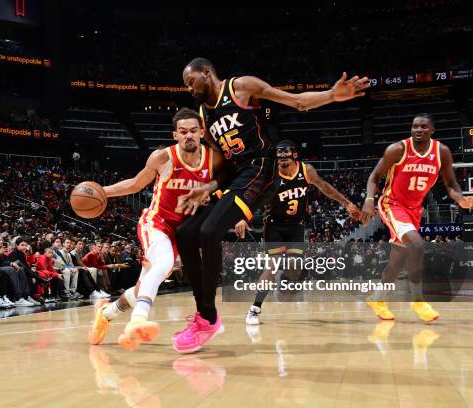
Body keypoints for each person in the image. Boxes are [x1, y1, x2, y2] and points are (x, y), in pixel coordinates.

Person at [173, 58, 370, 353]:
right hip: (237, 175)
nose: (189, 88)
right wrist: (208, 187)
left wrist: (331, 95)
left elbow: (297, 102)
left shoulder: (241, 87)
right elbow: (224, 167)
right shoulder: (204, 115)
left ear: (206, 72)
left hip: (262, 170)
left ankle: (209, 317)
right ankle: (203, 314)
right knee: (186, 233)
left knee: (209, 232)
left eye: (191, 81)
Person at [89, 107, 222, 351]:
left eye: (193, 131)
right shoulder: (163, 157)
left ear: (202, 132)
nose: (189, 135)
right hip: (157, 222)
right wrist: (103, 191)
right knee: (163, 265)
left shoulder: (213, 160)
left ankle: (106, 313)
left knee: (145, 284)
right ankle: (137, 321)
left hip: (183, 231)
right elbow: (136, 184)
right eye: (183, 132)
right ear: (175, 135)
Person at [232, 140, 361, 325]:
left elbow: (324, 187)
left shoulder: (306, 170)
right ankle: (255, 309)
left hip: (296, 226)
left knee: (295, 269)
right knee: (272, 266)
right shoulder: (271, 174)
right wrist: (243, 217)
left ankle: (283, 282)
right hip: (274, 225)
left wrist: (347, 203)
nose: (282, 159)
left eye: (286, 155)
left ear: (294, 155)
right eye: (279, 156)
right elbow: (252, 196)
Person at [361, 114, 473, 322]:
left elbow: (450, 184)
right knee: (417, 245)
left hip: (414, 210)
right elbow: (375, 177)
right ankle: (418, 300)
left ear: (432, 130)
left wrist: (460, 199)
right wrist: (369, 199)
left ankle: (377, 298)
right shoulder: (397, 149)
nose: (418, 130)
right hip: (392, 204)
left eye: (423, 126)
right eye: (414, 126)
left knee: (397, 261)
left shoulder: (442, 152)